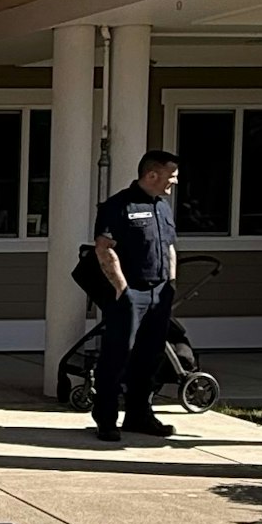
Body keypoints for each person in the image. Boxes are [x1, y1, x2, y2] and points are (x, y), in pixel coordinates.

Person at [91, 148, 181, 444]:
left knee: (149, 357)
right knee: (118, 356)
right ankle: (106, 419)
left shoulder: (163, 207)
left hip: (159, 292)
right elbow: (104, 248)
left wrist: (171, 283)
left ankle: (139, 415)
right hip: (131, 294)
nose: (175, 182)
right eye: (171, 175)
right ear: (152, 174)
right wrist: (122, 290)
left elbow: (169, 247)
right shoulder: (118, 206)